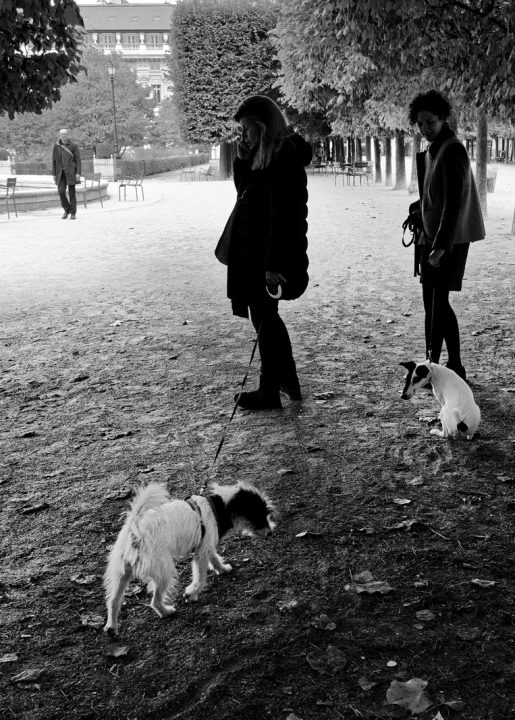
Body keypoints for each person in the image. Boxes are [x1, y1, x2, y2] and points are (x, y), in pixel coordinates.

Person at [218, 95, 312, 410]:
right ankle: (285, 384)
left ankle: (270, 390)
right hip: (254, 252)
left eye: (246, 129)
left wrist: (273, 264)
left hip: (270, 255)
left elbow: (282, 217)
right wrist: (243, 155)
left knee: (265, 319)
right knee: (265, 319)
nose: (241, 135)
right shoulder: (263, 156)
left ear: (262, 126)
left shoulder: (283, 157)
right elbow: (244, 193)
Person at [407, 90, 485, 381]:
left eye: (430, 122)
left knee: (437, 303)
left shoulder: (451, 148)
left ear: (443, 119)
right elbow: (436, 194)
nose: (425, 128)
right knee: (434, 303)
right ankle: (445, 365)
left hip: (447, 239)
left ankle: (446, 366)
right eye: (420, 123)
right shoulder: (435, 147)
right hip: (432, 236)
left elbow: (454, 201)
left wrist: (441, 245)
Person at [52, 129, 81, 219]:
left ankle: (73, 213)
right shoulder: (56, 146)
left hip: (71, 173)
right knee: (61, 192)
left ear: (67, 135)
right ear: (60, 135)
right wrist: (54, 174)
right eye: (62, 134)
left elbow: (78, 161)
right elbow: (54, 161)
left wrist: (78, 173)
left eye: (65, 134)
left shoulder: (73, 146)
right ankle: (66, 209)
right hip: (60, 174)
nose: (63, 135)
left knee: (72, 193)